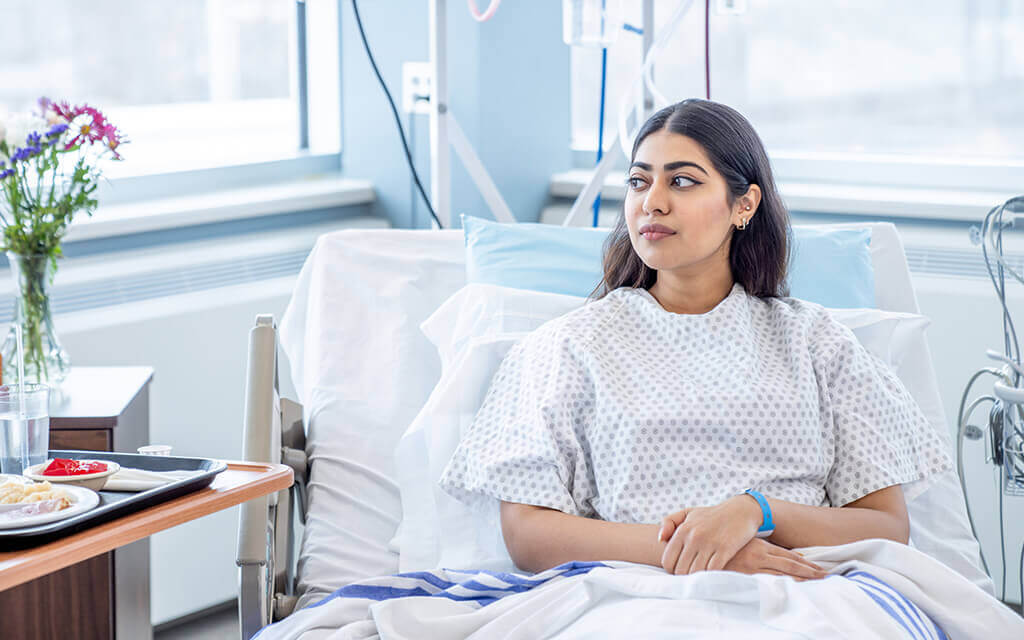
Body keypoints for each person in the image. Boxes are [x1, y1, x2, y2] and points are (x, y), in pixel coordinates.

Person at [439, 99, 951, 580]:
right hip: (632, 592)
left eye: (682, 181)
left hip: (806, 591)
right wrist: (703, 555)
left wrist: (756, 512)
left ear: (743, 204)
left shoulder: (817, 344)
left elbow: (887, 528)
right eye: (639, 182)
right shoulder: (568, 347)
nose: (652, 203)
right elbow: (529, 534)